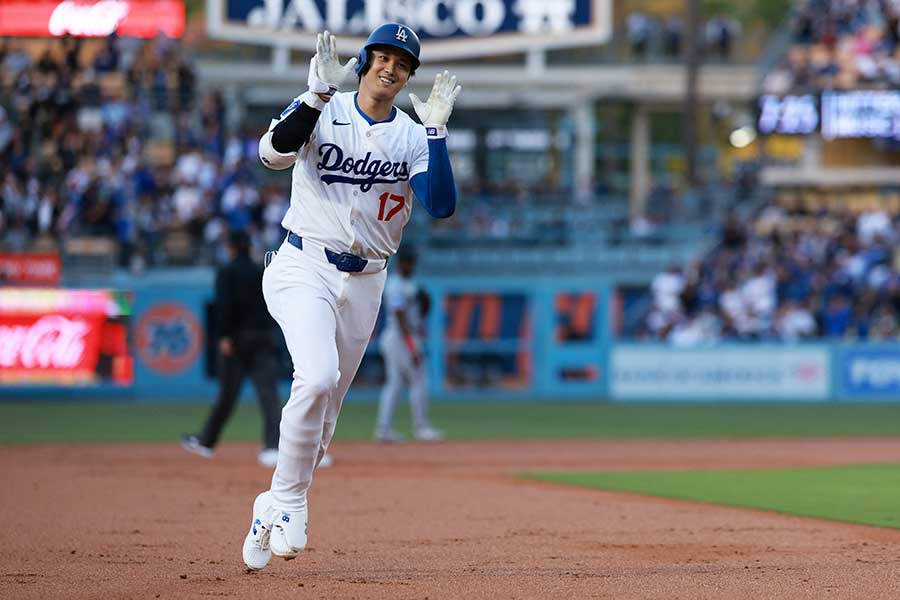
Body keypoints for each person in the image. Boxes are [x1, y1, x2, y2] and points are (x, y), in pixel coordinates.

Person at [241, 25, 460, 571]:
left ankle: (269, 505)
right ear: (364, 60)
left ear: (410, 75)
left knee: (324, 424)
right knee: (315, 377)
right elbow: (271, 154)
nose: (391, 67)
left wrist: (435, 134)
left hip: (367, 280)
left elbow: (440, 205)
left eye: (402, 63)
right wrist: (315, 95)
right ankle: (291, 500)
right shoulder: (325, 106)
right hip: (304, 263)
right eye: (383, 56)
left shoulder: (412, 135)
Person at [181, 230, 282, 467]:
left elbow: (224, 307)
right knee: (269, 396)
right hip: (262, 339)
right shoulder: (261, 271)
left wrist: (224, 336)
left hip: (236, 342)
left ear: (232, 248)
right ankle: (273, 446)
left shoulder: (226, 272)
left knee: (227, 395)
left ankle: (207, 441)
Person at [374, 246, 443, 442]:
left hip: (401, 337)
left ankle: (384, 429)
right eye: (409, 262)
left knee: (394, 384)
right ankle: (421, 428)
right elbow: (400, 316)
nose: (412, 265)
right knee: (419, 379)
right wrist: (412, 346)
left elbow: (420, 313)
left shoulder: (410, 284)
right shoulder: (395, 285)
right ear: (402, 262)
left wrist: (426, 302)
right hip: (400, 337)